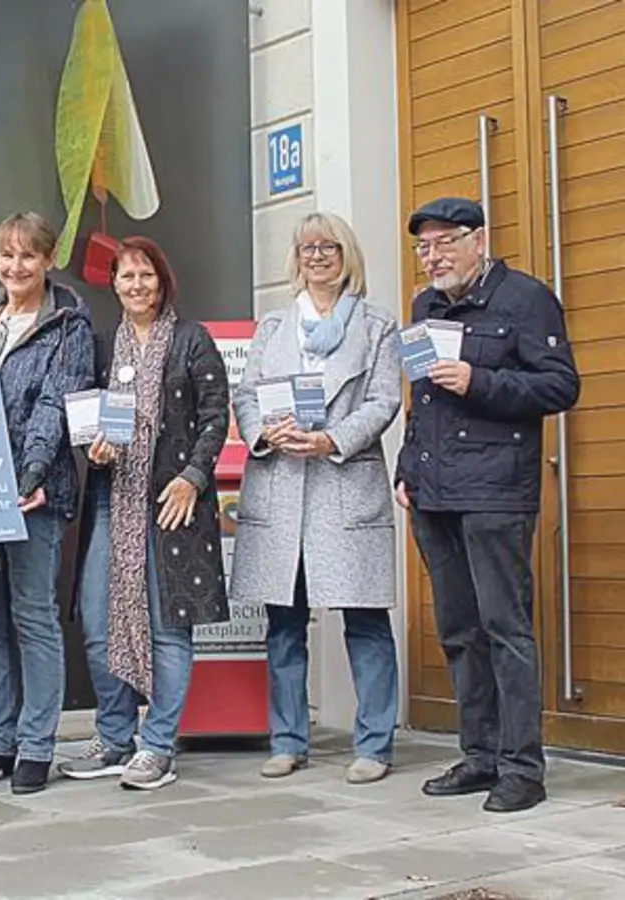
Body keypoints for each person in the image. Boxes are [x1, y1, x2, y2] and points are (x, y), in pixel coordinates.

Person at [395, 197, 579, 813]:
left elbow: (560, 384)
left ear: (479, 240)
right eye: (424, 247)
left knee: (506, 629)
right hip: (433, 492)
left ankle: (523, 769)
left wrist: (480, 381)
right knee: (459, 631)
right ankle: (480, 755)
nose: (433, 256)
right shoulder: (425, 308)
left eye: (445, 242)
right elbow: (422, 398)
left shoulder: (525, 299)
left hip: (497, 489)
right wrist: (405, 466)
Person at [228, 212, 404, 785]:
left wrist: (332, 439)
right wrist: (263, 434)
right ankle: (288, 740)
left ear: (346, 255)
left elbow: (382, 402)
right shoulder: (274, 327)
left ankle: (374, 744)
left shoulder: (377, 325)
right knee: (283, 624)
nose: (318, 256)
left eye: (329, 247)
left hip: (342, 485)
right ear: (296, 259)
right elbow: (247, 394)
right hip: (281, 487)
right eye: (307, 248)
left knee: (366, 621)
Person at [59, 237, 230, 791]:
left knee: (168, 629)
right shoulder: (104, 347)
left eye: (146, 275)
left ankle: (157, 745)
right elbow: (86, 420)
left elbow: (215, 417)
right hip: (112, 499)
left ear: (163, 281)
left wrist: (193, 478)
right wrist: (96, 449)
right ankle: (114, 738)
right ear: (113, 283)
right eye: (127, 276)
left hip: (170, 503)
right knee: (96, 622)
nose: (137, 286)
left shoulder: (190, 340)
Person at [0, 211, 95, 794]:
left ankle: (36, 746)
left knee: (32, 617)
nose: (17, 267)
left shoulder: (69, 326)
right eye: (7, 256)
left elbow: (54, 405)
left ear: (49, 259)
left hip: (36, 495)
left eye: (28, 256)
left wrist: (31, 473)